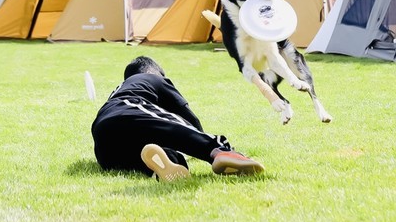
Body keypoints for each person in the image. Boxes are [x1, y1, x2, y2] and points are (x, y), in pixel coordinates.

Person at [91, 55, 265, 182]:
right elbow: (187, 119)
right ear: (156, 73)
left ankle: (168, 164)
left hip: (104, 142)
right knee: (173, 126)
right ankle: (220, 152)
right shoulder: (152, 79)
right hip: (128, 110)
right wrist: (201, 144)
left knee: (146, 154)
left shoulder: (120, 90)